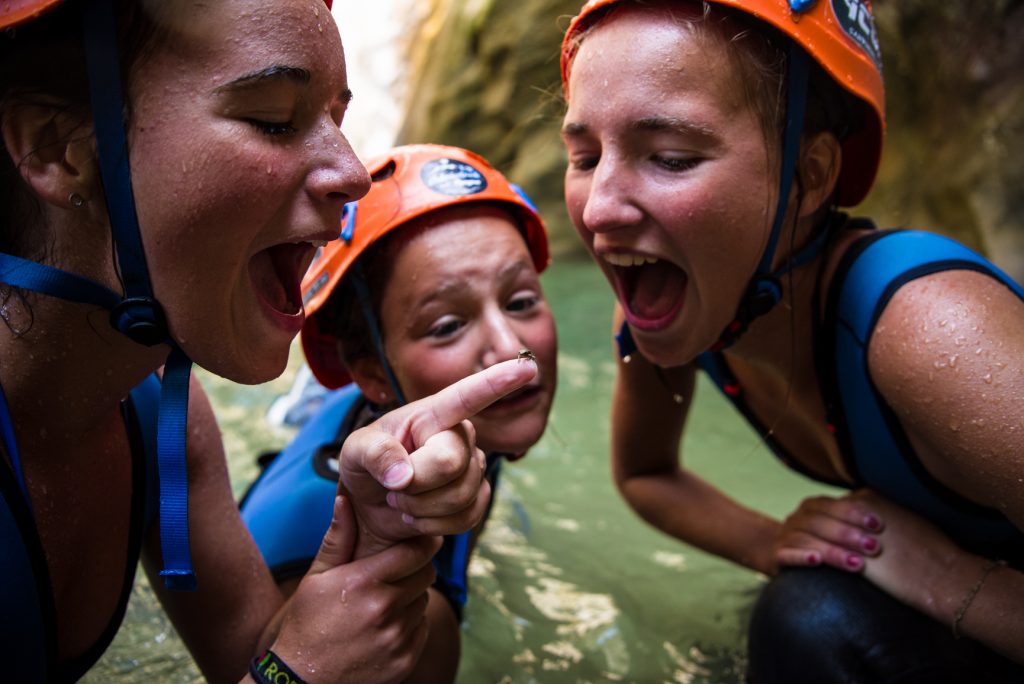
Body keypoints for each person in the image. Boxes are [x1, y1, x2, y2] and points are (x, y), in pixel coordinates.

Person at [0, 2, 535, 682]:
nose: (353, 173)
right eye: (274, 120)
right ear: (56, 147)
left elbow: (257, 659)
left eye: (337, 120)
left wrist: (376, 544)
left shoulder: (163, 415)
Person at [559, 0, 1024, 681]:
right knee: (804, 609)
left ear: (809, 176)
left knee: (810, 621)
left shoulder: (927, 328)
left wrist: (951, 580)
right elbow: (644, 473)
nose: (599, 206)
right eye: (585, 155)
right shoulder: (679, 301)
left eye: (671, 157)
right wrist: (772, 541)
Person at [240, 143, 558, 682]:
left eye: (522, 300)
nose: (510, 346)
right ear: (369, 371)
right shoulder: (340, 577)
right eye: (446, 326)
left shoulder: (469, 424)